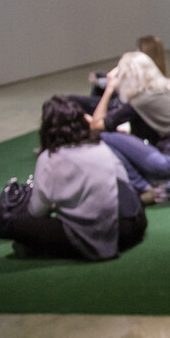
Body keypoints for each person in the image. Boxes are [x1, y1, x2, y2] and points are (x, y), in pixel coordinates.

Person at [9, 96, 146, 260]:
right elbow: (124, 182)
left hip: (94, 232)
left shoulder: (48, 158)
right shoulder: (100, 146)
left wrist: (55, 204)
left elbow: (37, 211)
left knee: (17, 224)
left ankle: (55, 247)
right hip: (131, 226)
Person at [91, 51, 170, 199]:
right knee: (117, 138)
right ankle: (141, 184)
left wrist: (109, 89)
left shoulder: (141, 100)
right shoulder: (161, 93)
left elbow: (96, 126)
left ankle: (142, 187)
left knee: (103, 135)